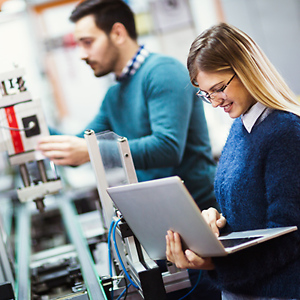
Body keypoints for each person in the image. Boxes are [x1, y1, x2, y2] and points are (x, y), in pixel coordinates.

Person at [37, 0, 221, 299]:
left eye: (88, 42)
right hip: (158, 228)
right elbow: (78, 141)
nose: (82, 54)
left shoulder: (162, 72)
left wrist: (88, 150)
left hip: (199, 224)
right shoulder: (115, 93)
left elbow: (166, 147)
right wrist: (30, 126)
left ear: (118, 33)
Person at [166, 22, 300, 300]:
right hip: (245, 288)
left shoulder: (285, 132)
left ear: (246, 69)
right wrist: (217, 221)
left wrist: (217, 263)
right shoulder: (242, 127)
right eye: (206, 94)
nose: (214, 102)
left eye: (218, 89)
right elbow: (251, 214)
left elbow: (289, 235)